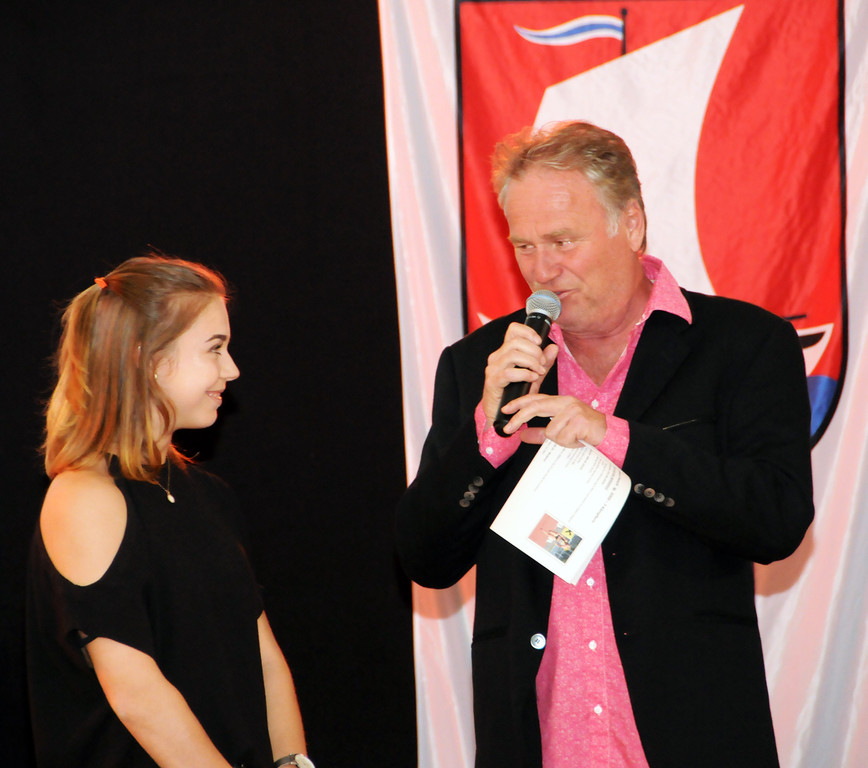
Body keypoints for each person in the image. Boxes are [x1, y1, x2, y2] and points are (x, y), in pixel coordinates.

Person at [396, 122, 814, 767]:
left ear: (632, 223)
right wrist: (486, 434)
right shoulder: (480, 364)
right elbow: (425, 559)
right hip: (539, 741)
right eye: (525, 245)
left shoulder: (743, 344)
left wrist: (613, 437)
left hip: (688, 735)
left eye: (563, 241)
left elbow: (776, 519)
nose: (542, 269)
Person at [26, 254, 316, 768]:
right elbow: (137, 695)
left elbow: (263, 657)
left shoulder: (207, 494)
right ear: (149, 359)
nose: (232, 369)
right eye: (214, 348)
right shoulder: (86, 498)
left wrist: (292, 763)